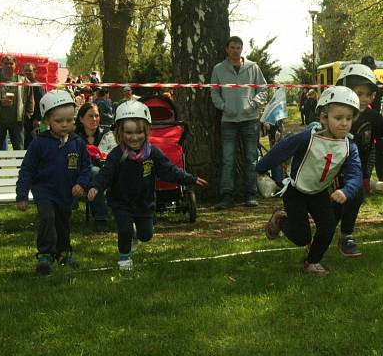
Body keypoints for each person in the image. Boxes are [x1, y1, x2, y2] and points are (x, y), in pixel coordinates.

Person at [88, 101, 207, 270]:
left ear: (147, 131)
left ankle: (137, 234)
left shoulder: (153, 153)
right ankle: (124, 258)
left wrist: (191, 179)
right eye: (128, 133)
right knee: (125, 230)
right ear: (120, 133)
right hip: (121, 202)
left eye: (139, 132)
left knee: (146, 235)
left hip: (144, 202)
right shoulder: (117, 155)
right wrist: (96, 186)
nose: (134, 137)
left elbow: (170, 171)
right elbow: (105, 174)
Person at [257, 86, 363, 275]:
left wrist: (346, 191)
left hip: (319, 193)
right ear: (324, 118)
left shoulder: (350, 147)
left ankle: (312, 262)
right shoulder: (308, 138)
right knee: (301, 236)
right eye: (338, 118)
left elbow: (355, 175)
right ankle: (280, 219)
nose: (344, 123)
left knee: (328, 227)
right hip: (296, 192)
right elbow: (281, 149)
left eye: (348, 118)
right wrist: (260, 168)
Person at [334, 64, 383, 256]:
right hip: (334, 167)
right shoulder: (336, 113)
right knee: (332, 205)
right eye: (359, 93)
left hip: (358, 168)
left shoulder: (371, 115)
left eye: (368, 94)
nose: (364, 98)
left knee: (355, 198)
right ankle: (321, 235)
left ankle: (347, 236)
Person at [15, 90, 91, 274]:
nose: (65, 125)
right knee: (48, 218)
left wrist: (81, 183)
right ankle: (45, 254)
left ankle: (63, 253)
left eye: (69, 120)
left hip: (66, 193)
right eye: (59, 121)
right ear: (47, 121)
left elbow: (86, 167)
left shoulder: (78, 143)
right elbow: (27, 170)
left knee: (63, 222)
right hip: (45, 192)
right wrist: (22, 195)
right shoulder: (39, 143)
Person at [210, 36, 268, 209]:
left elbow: (263, 89)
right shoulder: (218, 69)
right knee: (228, 159)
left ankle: (251, 194)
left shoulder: (253, 67)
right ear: (226, 49)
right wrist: (223, 106)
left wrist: (254, 104)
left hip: (250, 120)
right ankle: (227, 196)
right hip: (228, 120)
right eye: (233, 47)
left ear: (242, 49)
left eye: (239, 47)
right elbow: (214, 92)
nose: (236, 50)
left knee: (251, 158)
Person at [75, 103, 118, 231]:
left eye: (97, 116)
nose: (94, 119)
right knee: (94, 172)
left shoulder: (108, 135)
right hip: (80, 175)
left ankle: (102, 220)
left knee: (97, 173)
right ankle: (101, 220)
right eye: (90, 116)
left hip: (106, 173)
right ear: (81, 119)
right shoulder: (74, 137)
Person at [0, 55, 35, 150]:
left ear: (15, 65)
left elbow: (30, 100)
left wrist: (27, 116)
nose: (9, 65)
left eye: (11, 63)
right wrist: (0, 102)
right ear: (1, 64)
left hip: (18, 123)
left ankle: (21, 166)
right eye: (6, 63)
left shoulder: (23, 80)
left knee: (19, 150)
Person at [21, 63, 45, 147]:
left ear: (34, 72)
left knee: (32, 143)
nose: (27, 72)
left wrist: (37, 119)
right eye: (26, 70)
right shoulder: (22, 84)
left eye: (29, 71)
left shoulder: (37, 85)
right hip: (24, 119)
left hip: (34, 121)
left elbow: (41, 103)